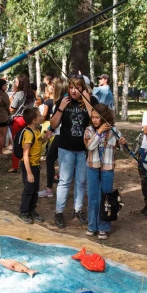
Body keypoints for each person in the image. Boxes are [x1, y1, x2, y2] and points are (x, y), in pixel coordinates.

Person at [51, 76, 97, 228]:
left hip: (84, 149)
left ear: (82, 88)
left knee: (81, 182)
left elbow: (96, 121)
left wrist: (88, 102)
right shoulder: (63, 101)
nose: (73, 91)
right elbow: (53, 124)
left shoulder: (90, 101)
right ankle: (59, 212)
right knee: (64, 180)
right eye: (71, 88)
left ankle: (78, 210)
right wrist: (60, 108)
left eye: (76, 88)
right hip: (66, 147)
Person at [84, 104, 127, 240]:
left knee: (106, 198)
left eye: (98, 117)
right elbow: (90, 146)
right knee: (93, 197)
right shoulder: (89, 130)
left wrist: (123, 143)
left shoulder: (113, 130)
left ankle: (103, 227)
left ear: (104, 117)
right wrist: (99, 132)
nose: (95, 120)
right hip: (92, 167)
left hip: (107, 169)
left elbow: (124, 150)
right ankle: (92, 226)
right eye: (93, 117)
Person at [19, 107, 52, 224]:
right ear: (34, 120)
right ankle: (23, 212)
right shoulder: (28, 134)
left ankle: (32, 210)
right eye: (39, 115)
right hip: (29, 166)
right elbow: (25, 154)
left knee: (35, 190)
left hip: (36, 166)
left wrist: (45, 138)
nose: (42, 117)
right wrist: (29, 173)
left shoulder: (37, 129)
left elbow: (38, 142)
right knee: (28, 190)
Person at [39, 77, 67, 199]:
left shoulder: (61, 102)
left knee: (50, 159)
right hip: (61, 134)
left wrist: (50, 128)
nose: (51, 88)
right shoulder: (64, 100)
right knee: (63, 162)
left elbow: (56, 121)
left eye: (53, 86)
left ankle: (49, 189)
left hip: (61, 135)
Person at [9, 74, 35, 174]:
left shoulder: (19, 94)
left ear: (21, 83)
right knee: (27, 142)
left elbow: (12, 109)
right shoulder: (31, 94)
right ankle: (28, 163)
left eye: (16, 81)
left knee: (17, 143)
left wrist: (10, 100)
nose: (15, 83)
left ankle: (15, 166)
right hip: (28, 119)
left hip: (18, 120)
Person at [0, 78, 11, 155]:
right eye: (5, 85)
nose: (6, 86)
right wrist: (9, 114)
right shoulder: (3, 94)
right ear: (1, 86)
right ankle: (0, 152)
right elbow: (7, 105)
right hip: (2, 117)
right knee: (2, 135)